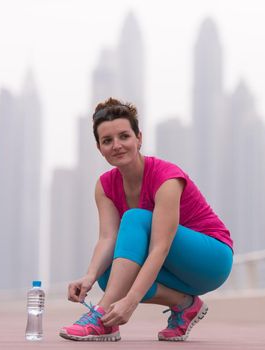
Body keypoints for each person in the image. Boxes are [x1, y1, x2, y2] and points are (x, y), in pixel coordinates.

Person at [59, 98, 233, 342]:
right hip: (174, 266)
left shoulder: (166, 178)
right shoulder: (105, 185)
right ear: (99, 148)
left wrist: (130, 301)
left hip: (211, 259)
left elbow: (160, 246)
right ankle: (185, 305)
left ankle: (101, 317)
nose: (117, 145)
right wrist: (89, 276)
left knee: (135, 218)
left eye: (124, 136)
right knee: (108, 276)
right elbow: (108, 238)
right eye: (107, 141)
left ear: (139, 138)